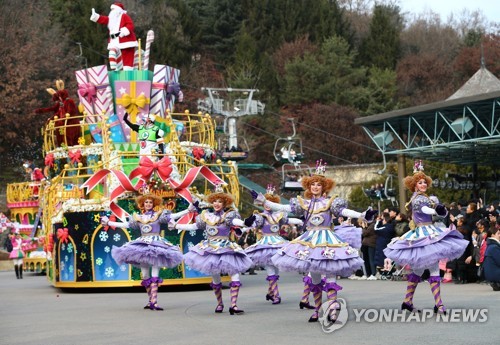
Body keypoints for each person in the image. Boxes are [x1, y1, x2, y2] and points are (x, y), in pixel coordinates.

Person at [251, 160, 377, 323]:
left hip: (327, 240)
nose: (315, 187)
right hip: (309, 241)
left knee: (330, 275)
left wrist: (361, 215)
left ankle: (332, 309)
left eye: (318, 184)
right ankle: (317, 310)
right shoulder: (303, 203)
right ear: (309, 186)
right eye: (313, 184)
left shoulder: (331, 202)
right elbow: (283, 208)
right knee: (315, 278)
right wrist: (265, 202)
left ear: (323, 187)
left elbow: (345, 211)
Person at [384, 161, 468, 314]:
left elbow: (430, 208)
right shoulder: (417, 199)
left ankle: (409, 301)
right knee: (430, 269)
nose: (423, 184)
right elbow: (424, 209)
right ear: (415, 185)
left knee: (419, 271)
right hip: (423, 235)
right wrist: (436, 211)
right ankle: (437, 304)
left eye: (424, 182)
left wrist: (437, 209)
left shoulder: (427, 198)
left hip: (429, 232)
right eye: (420, 182)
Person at [102, 192, 193, 310]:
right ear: (142, 204)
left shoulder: (159, 215)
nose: (148, 204)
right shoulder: (138, 217)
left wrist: (187, 211)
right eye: (146, 202)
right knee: (145, 275)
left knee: (155, 273)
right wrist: (109, 223)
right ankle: (150, 300)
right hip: (142, 245)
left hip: (156, 244)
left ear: (153, 204)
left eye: (150, 202)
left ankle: (154, 302)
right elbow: (126, 225)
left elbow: (172, 216)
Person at [175, 184, 254, 315]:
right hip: (210, 248)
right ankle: (219, 303)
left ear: (225, 203)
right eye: (215, 201)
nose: (217, 204)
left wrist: (245, 223)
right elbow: (194, 226)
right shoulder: (205, 216)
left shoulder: (229, 216)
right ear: (212, 202)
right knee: (215, 277)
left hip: (226, 248)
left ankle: (233, 305)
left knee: (235, 274)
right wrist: (177, 225)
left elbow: (235, 222)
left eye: (220, 201)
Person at [244, 185, 304, 304]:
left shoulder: (279, 215)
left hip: (278, 243)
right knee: (271, 269)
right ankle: (276, 295)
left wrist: (301, 220)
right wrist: (243, 227)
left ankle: (271, 292)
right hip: (265, 244)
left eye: (271, 202)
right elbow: (250, 225)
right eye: (267, 202)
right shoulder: (260, 216)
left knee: (275, 270)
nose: (268, 204)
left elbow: (289, 221)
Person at [90, 2, 138, 71]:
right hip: (115, 41)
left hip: (126, 41)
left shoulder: (124, 16)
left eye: (113, 9)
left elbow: (130, 25)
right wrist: (96, 16)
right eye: (111, 10)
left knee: (127, 57)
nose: (112, 11)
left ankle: (128, 71)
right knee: (112, 52)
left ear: (118, 10)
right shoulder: (111, 19)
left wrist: (124, 31)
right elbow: (104, 19)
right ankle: (116, 68)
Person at [374, 213, 395, 279]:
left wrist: (377, 221)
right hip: (387, 243)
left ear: (385, 220)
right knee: (387, 258)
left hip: (382, 244)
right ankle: (388, 271)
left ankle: (384, 272)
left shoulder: (385, 227)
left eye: (383, 220)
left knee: (381, 258)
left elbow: (376, 229)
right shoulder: (391, 227)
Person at [483, 226, 500, 291]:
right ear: (492, 235)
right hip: (495, 274)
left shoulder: (490, 246)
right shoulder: (494, 247)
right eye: (498, 233)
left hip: (491, 273)